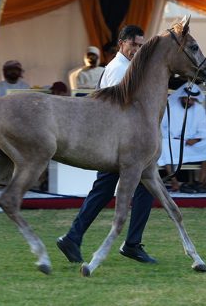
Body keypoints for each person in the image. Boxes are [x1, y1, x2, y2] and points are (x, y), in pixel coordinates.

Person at [56, 25, 157, 264]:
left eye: (141, 46)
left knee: (104, 191)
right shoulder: (118, 69)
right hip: (115, 142)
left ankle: (74, 237)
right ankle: (130, 244)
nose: (137, 50)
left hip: (115, 142)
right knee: (139, 188)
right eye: (134, 45)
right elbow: (119, 107)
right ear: (122, 42)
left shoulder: (125, 67)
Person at [158, 83, 206, 193]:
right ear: (182, 97)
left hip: (192, 143)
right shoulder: (170, 107)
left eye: (193, 100)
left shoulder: (198, 109)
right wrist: (172, 138)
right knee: (164, 145)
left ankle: (201, 183)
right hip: (173, 142)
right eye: (188, 99)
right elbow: (161, 126)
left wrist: (196, 139)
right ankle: (174, 182)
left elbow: (203, 129)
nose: (191, 102)